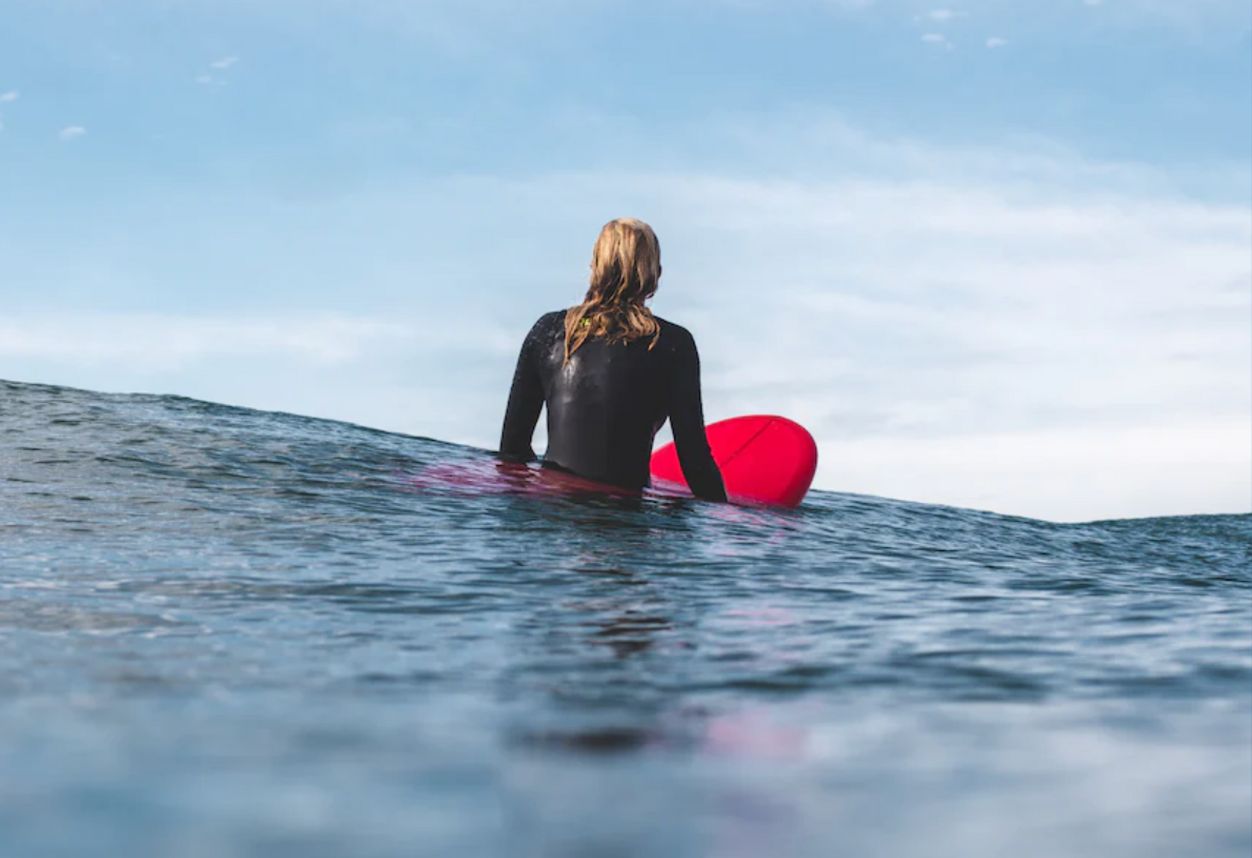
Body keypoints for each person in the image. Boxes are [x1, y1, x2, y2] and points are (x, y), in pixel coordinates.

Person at [499, 218, 726, 501]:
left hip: (552, 514)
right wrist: (734, 522)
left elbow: (512, 452)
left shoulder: (548, 330)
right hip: (626, 515)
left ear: (594, 266)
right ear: (655, 273)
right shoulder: (673, 344)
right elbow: (694, 461)